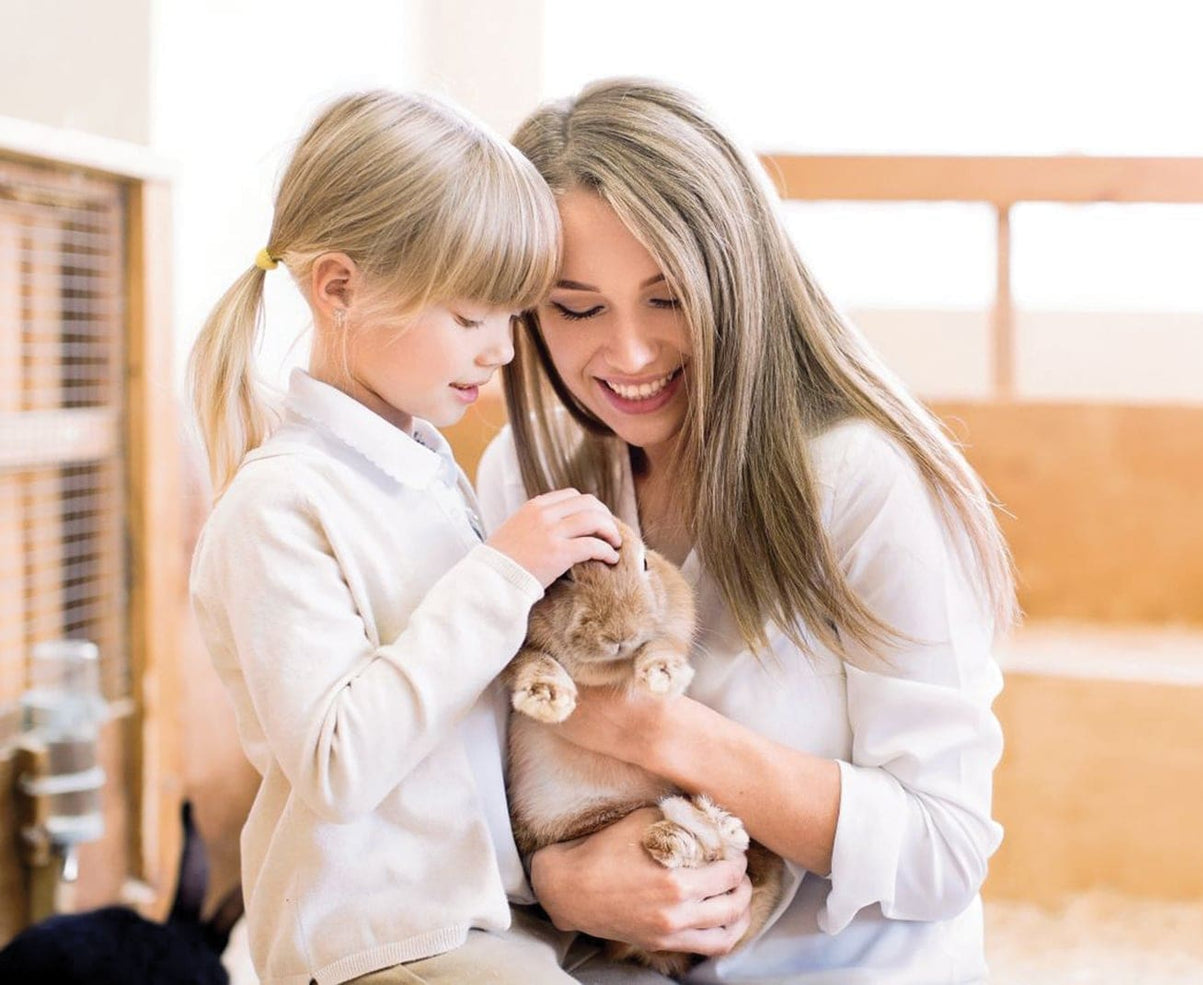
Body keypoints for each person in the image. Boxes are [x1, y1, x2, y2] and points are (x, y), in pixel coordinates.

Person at [476, 78, 1018, 985]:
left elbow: (944, 846)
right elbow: (468, 776)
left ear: (737, 280)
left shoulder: (858, 480)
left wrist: (656, 730)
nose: (632, 354)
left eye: (669, 297)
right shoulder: (525, 474)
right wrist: (559, 879)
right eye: (577, 307)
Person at [187, 90, 626, 985]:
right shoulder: (279, 505)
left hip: (487, 915)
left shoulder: (424, 470)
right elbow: (339, 761)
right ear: (340, 288)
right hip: (381, 937)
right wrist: (502, 576)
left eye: (511, 317)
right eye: (470, 319)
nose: (502, 351)